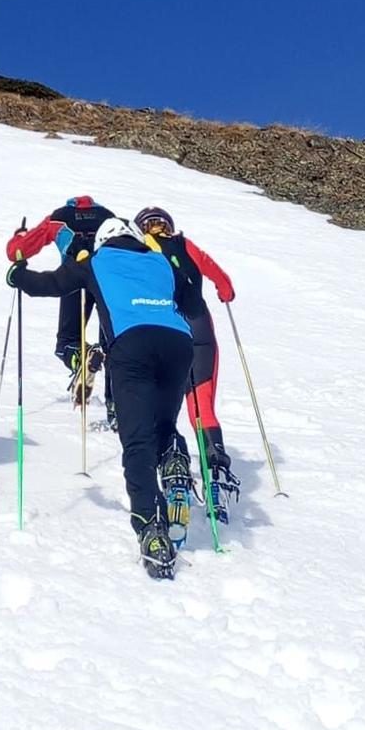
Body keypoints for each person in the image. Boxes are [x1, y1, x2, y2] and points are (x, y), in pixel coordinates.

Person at [9, 217, 194, 578]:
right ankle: (173, 455)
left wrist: (18, 275)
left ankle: (151, 527)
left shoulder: (96, 261)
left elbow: (53, 284)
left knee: (137, 440)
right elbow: (191, 300)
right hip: (178, 344)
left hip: (132, 346)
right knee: (163, 424)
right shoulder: (158, 261)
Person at [134, 204, 240, 515]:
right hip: (200, 329)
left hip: (163, 331)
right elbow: (221, 279)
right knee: (201, 406)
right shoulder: (185, 244)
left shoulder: (138, 251)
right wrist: (225, 291)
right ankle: (216, 470)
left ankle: (173, 463)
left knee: (158, 407)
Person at [6, 196, 116, 405]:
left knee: (66, 341)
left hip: (72, 277)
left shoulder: (59, 218)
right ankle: (115, 407)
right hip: (106, 280)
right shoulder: (108, 217)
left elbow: (17, 251)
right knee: (113, 343)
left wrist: (19, 236)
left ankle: (79, 358)